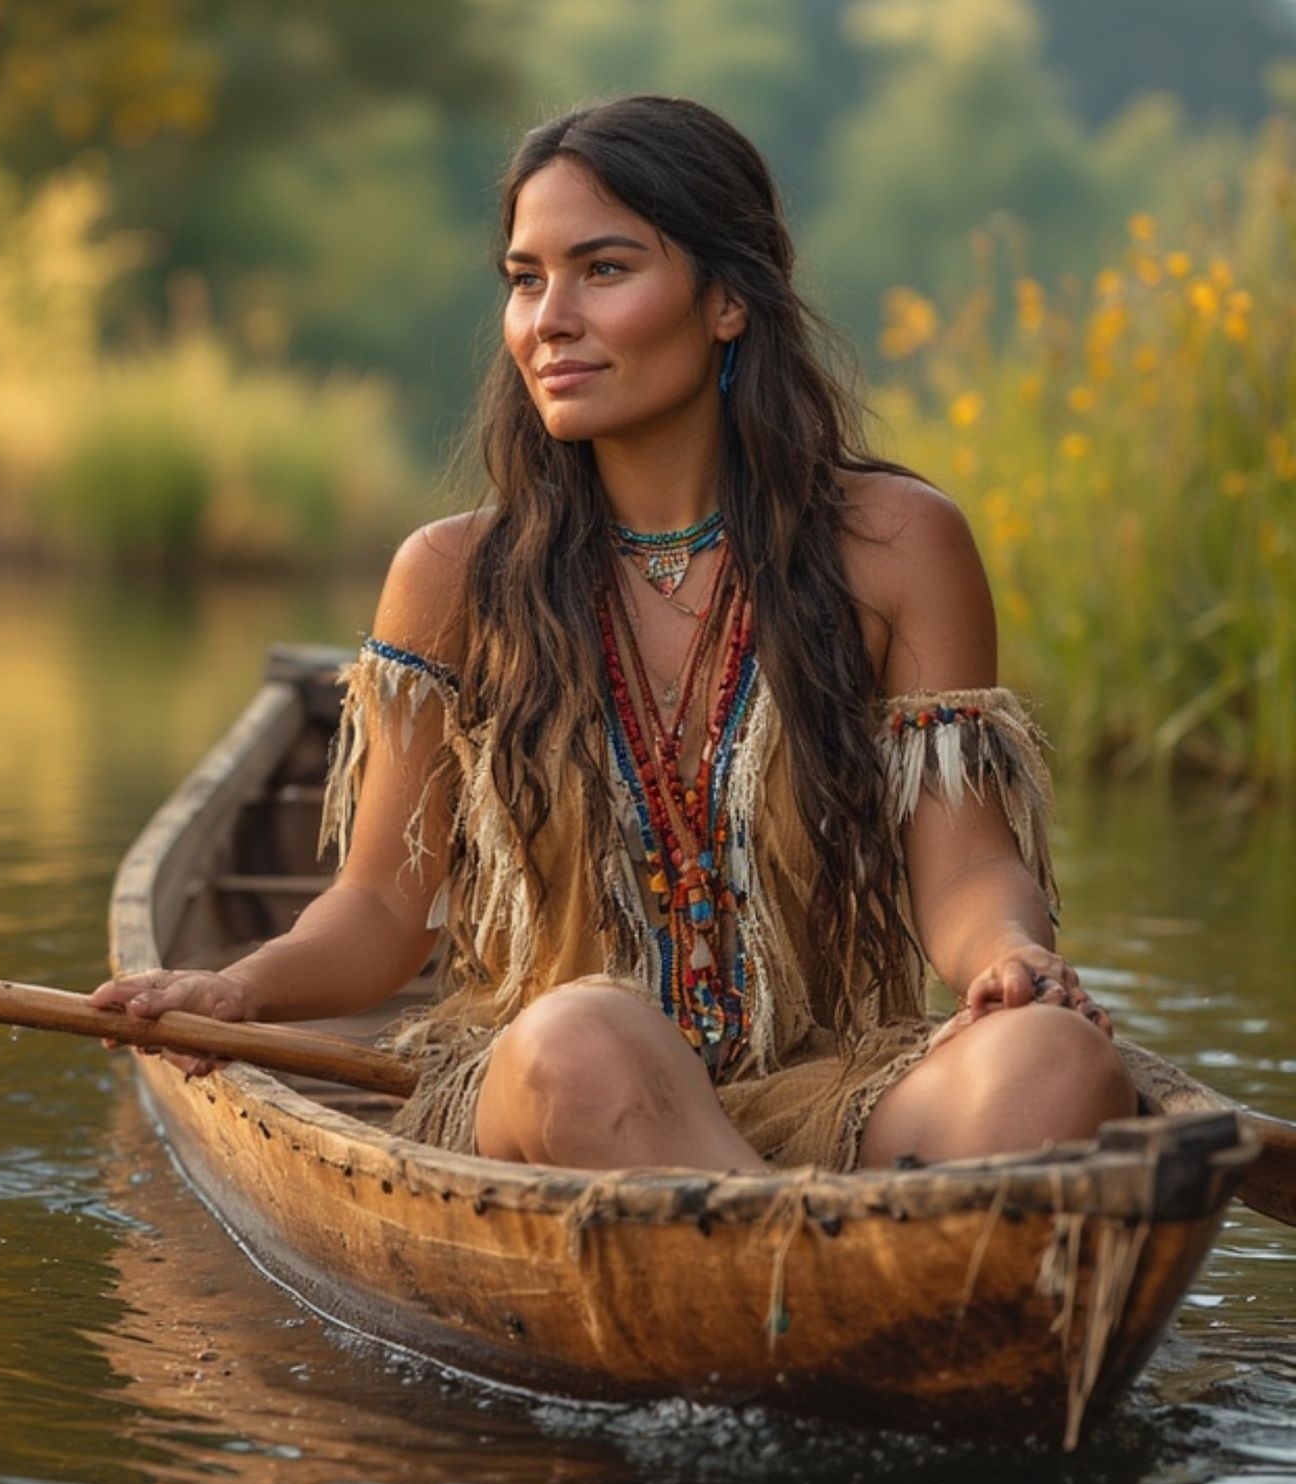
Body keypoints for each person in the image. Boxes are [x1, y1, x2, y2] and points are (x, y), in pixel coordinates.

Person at [94, 94, 1159, 1174]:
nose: (548, 317)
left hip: (827, 1081)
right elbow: (377, 908)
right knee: (586, 1033)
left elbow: (967, 864)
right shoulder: (453, 576)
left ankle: (779, 1264)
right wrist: (240, 985)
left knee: (1052, 1065)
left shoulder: (895, 544)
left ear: (727, 301)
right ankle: (818, 1272)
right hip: (550, 1088)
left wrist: (1014, 955)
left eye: (603, 269)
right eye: (524, 279)